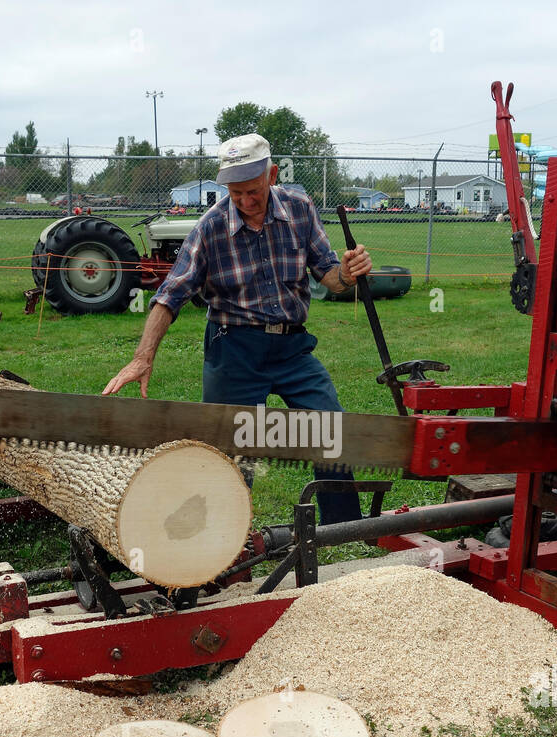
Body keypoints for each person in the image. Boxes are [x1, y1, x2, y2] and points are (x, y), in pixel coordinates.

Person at [103, 133, 373, 525]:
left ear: (272, 174)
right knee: (231, 455)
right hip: (234, 351)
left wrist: (346, 273)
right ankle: (220, 547)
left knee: (330, 431)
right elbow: (170, 295)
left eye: (253, 190)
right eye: (235, 192)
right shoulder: (210, 227)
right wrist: (142, 359)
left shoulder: (300, 209)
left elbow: (328, 274)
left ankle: (342, 530)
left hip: (291, 347)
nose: (245, 201)